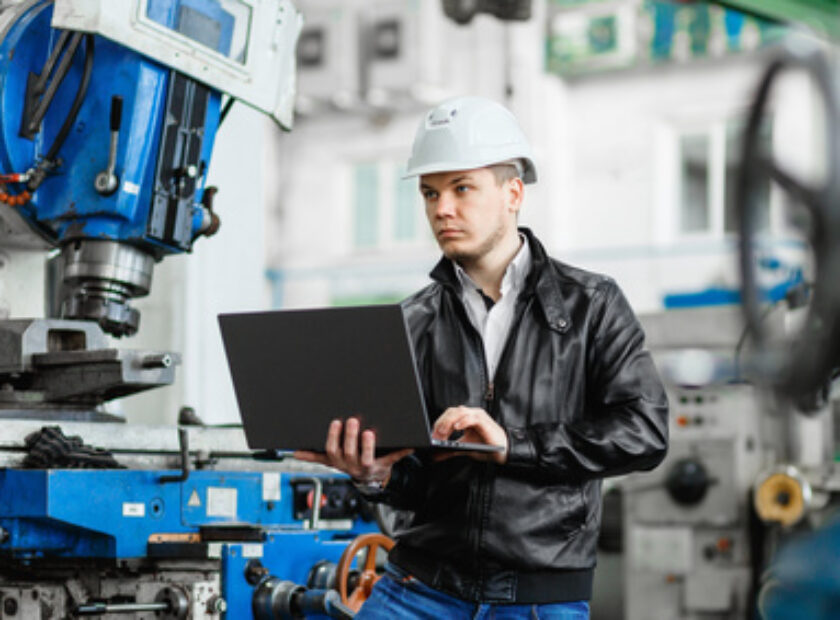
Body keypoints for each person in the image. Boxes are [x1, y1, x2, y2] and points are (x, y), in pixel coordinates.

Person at [295, 95, 669, 619]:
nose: (441, 208)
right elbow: (418, 477)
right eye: (430, 193)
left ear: (513, 192)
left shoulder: (592, 304)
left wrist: (511, 446)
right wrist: (375, 476)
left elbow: (644, 433)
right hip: (418, 589)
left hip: (539, 601)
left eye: (461, 188)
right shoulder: (413, 321)